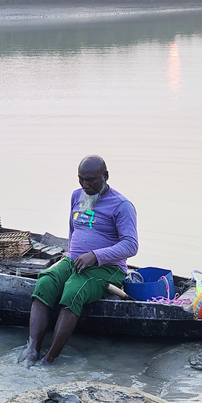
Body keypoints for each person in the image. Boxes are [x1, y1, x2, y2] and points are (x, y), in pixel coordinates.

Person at [26, 155, 139, 364]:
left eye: (91, 180)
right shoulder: (76, 196)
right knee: (45, 282)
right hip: (74, 260)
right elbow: (72, 230)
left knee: (73, 290)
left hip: (108, 268)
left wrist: (95, 255)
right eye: (81, 179)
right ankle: (32, 351)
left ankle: (49, 359)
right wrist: (71, 255)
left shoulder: (122, 205)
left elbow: (131, 246)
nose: (85, 185)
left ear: (105, 176)